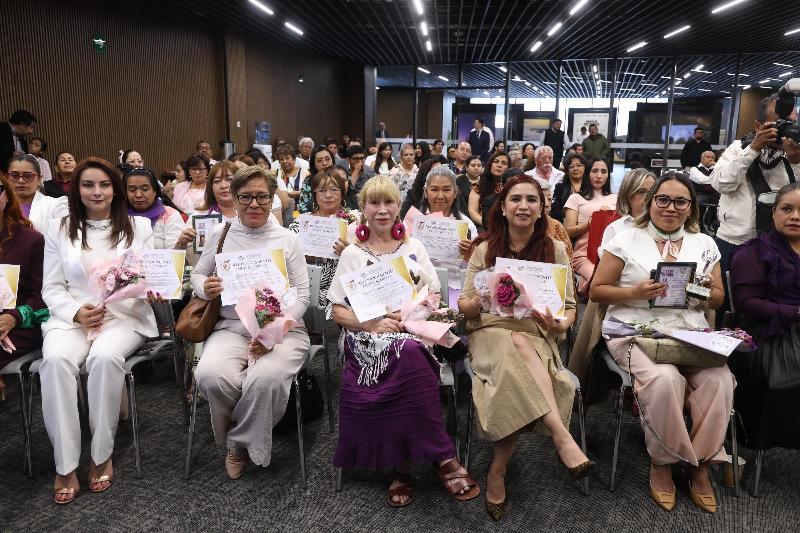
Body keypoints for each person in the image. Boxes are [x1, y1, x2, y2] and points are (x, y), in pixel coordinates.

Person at [327, 176, 479, 508]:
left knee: (409, 349)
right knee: (408, 353)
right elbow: (337, 311)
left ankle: (404, 467)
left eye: (388, 203)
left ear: (399, 207)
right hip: (366, 338)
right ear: (362, 209)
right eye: (373, 203)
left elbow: (434, 298)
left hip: (413, 330)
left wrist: (409, 313)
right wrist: (371, 322)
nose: (381, 211)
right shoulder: (353, 253)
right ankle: (443, 458)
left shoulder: (414, 247)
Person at [590, 171, 733, 513]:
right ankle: (663, 463)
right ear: (651, 201)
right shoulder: (625, 239)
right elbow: (597, 291)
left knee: (721, 380)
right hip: (634, 329)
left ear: (691, 207)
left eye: (680, 201)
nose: (671, 207)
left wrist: (695, 290)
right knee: (664, 379)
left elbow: (717, 298)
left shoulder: (704, 244)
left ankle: (700, 464)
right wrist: (635, 292)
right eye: (663, 199)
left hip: (689, 332)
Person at [459, 175, 590, 520]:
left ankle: (496, 471)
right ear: (502, 207)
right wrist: (482, 297)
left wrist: (558, 323)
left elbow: (569, 309)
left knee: (518, 349)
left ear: (541, 208)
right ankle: (562, 436)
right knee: (512, 343)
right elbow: (464, 306)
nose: (523, 206)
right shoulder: (485, 249)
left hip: (536, 333)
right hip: (489, 330)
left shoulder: (556, 249)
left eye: (531, 200)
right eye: (515, 199)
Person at [41, 157, 158, 504]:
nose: (97, 191)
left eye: (104, 184)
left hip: (123, 316)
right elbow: (51, 286)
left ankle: (101, 453)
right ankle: (64, 463)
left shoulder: (138, 228)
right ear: (76, 190)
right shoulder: (60, 228)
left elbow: (149, 277)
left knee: (105, 359)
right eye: (88, 184)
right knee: (55, 362)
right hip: (73, 317)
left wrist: (152, 288)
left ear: (115, 188)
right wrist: (77, 313)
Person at [192, 165, 311, 479]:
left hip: (284, 331)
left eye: (262, 197)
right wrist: (204, 287)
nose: (254, 204)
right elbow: (198, 274)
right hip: (231, 328)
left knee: (264, 380)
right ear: (234, 197)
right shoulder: (222, 233)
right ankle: (248, 431)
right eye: (246, 197)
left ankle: (238, 443)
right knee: (209, 374)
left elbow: (302, 296)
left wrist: (273, 332)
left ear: (272, 198)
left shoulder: (287, 239)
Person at [710, 93, 800, 325]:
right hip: (734, 244)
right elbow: (721, 182)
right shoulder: (737, 149)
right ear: (758, 125)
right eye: (777, 125)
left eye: (789, 124)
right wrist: (753, 149)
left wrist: (796, 162)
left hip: (781, 249)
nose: (784, 130)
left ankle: (765, 358)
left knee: (769, 314)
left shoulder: (794, 153)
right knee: (728, 313)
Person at [728, 182, 800, 455]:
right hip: (767, 333)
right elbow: (747, 304)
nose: (795, 216)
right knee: (781, 382)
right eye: (787, 209)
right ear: (773, 214)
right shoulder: (754, 251)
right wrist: (795, 313)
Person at [288, 167, 350, 361]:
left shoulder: (355, 222)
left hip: (344, 287)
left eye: (334, 190)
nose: (328, 195)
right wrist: (302, 257)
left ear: (342, 192)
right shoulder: (300, 225)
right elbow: (287, 260)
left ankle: (346, 345)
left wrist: (349, 252)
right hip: (311, 287)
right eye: (322, 191)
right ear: (314, 194)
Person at [0, 171, 47, 372]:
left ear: (7, 195)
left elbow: (40, 294)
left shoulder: (30, 240)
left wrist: (15, 316)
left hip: (19, 324)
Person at [564, 158, 617, 292]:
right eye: (595, 171)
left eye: (603, 171)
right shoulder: (575, 198)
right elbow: (567, 231)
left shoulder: (616, 198)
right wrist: (590, 224)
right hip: (584, 255)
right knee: (601, 283)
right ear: (587, 173)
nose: (599, 176)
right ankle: (585, 285)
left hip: (611, 254)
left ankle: (583, 285)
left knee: (612, 284)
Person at [124, 167, 191, 250]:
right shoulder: (118, 215)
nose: (138, 195)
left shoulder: (170, 215)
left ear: (155, 190)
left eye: (145, 189)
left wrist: (180, 244)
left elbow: (174, 254)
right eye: (132, 190)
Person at [599, 168, 657, 255]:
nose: (649, 197)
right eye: (641, 192)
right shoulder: (614, 229)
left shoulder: (663, 227)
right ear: (627, 195)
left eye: (652, 192)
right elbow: (605, 265)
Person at [6, 154, 68, 232]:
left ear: (39, 179)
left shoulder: (56, 205)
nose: (20, 181)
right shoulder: (3, 206)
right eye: (14, 175)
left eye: (28, 176)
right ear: (7, 178)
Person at [533, 178, 573, 259]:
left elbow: (569, 260)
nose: (547, 204)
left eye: (549, 199)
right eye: (542, 199)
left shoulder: (557, 226)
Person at [469, 152, 510, 230]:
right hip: (485, 227)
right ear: (490, 164)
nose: (499, 165)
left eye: (504, 163)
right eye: (496, 161)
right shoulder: (478, 187)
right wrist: (489, 224)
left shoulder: (513, 187)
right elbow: (472, 212)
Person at [297, 146, 337, 214]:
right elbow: (303, 209)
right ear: (314, 165)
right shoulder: (308, 182)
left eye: (327, 159)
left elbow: (352, 201)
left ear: (332, 160)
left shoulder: (342, 176)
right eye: (319, 161)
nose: (324, 163)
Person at [551, 153, 587, 223]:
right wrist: (571, 218)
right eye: (571, 166)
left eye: (579, 165)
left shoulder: (590, 187)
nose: (575, 169)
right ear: (567, 170)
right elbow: (554, 211)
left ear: (585, 167)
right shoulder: (560, 187)